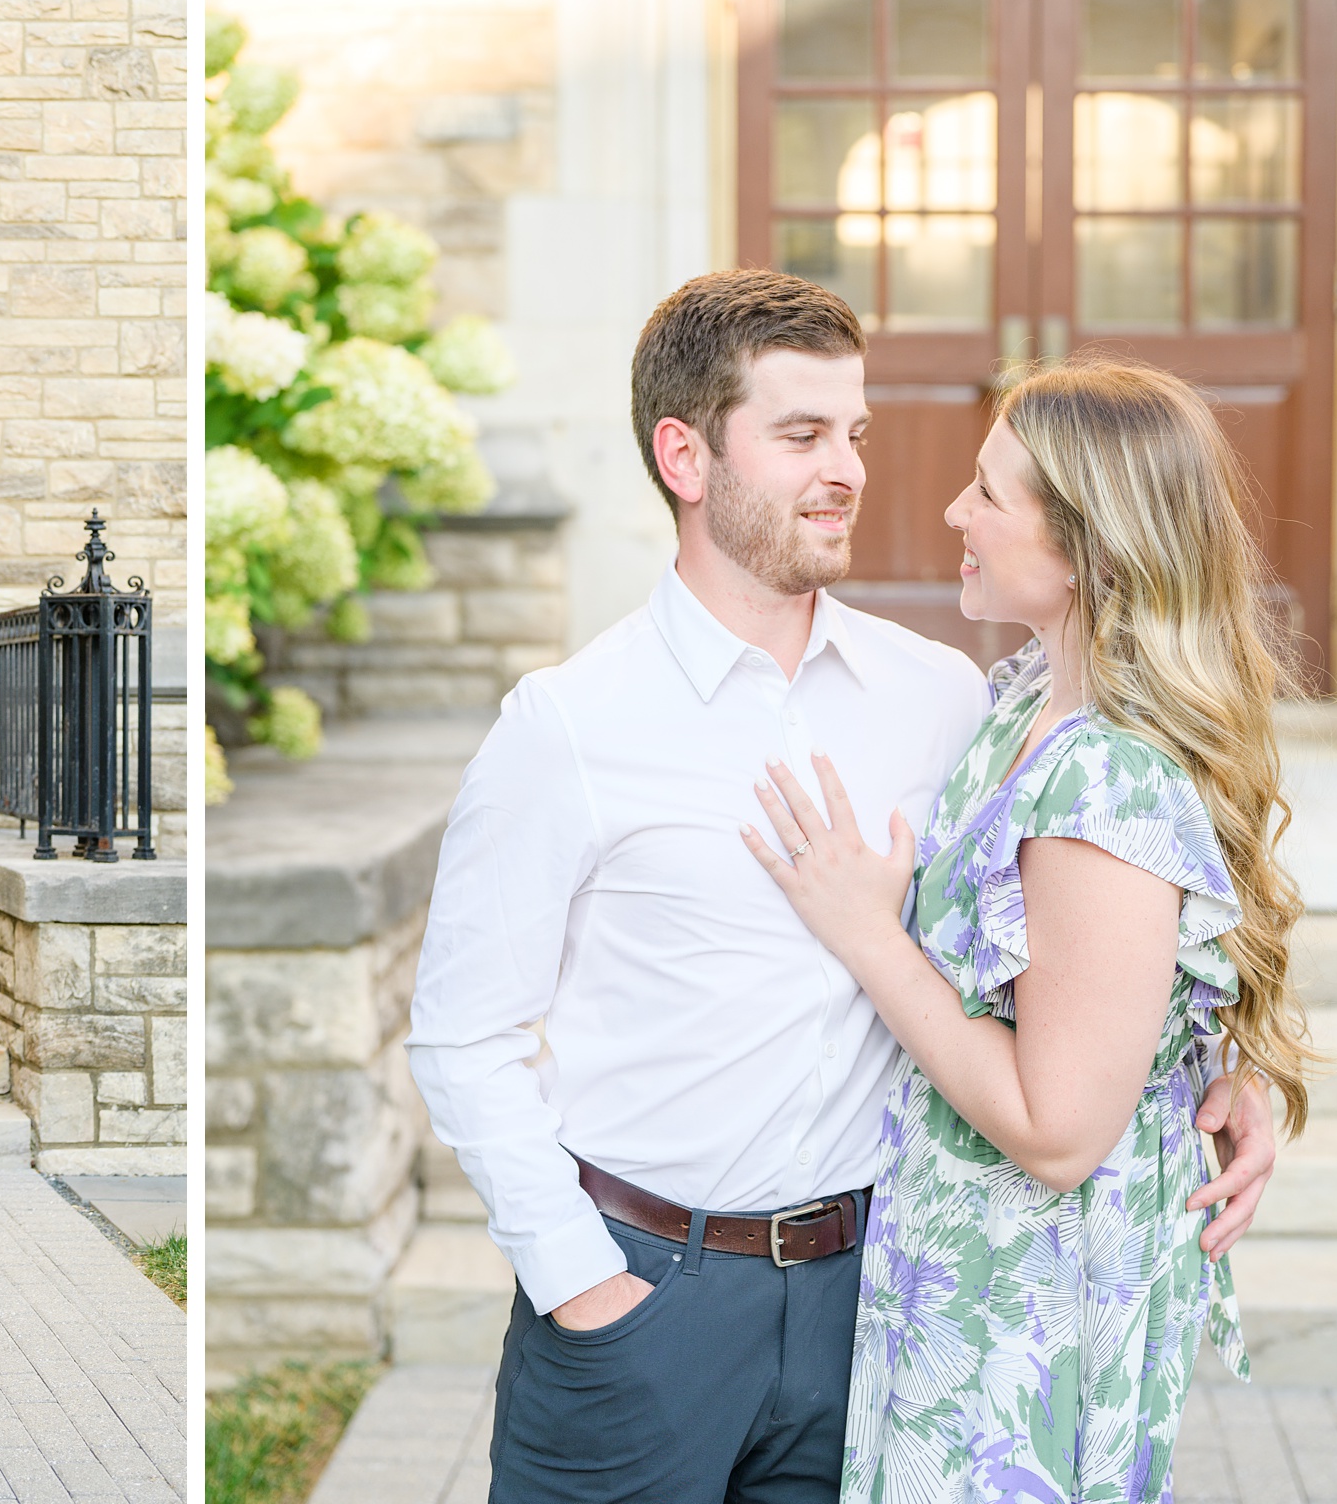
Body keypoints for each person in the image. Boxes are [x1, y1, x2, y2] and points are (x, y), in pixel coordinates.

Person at [406, 271, 1281, 1503]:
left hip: (872, 1307)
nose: (852, 469)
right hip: (642, 1294)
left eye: (857, 432)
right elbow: (461, 1032)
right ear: (685, 456)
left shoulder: (947, 699)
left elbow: (1089, 930)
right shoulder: (568, 727)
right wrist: (580, 1283)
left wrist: (1219, 1071)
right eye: (803, 434)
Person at [741, 358, 1310, 1499]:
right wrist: (1218, 1059)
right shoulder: (1020, 701)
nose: (954, 509)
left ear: (1091, 548)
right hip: (965, 1273)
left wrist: (870, 936)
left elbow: (1056, 1132)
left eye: (990, 493)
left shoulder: (1100, 778)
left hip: (1024, 1309)